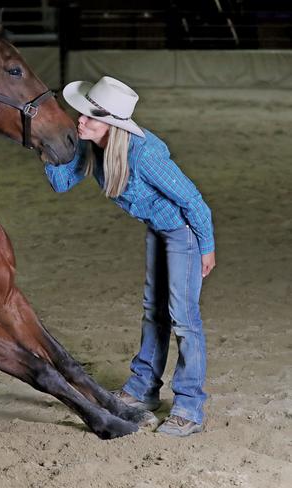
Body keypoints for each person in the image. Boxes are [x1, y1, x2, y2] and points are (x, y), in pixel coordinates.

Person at [45, 76, 215, 436]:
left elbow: (193, 200)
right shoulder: (95, 146)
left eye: (90, 116)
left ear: (111, 123)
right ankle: (142, 390)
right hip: (158, 229)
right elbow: (60, 183)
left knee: (184, 319)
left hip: (182, 232)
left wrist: (207, 246)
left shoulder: (144, 155)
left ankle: (190, 407)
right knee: (153, 310)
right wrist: (43, 145)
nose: (80, 120)